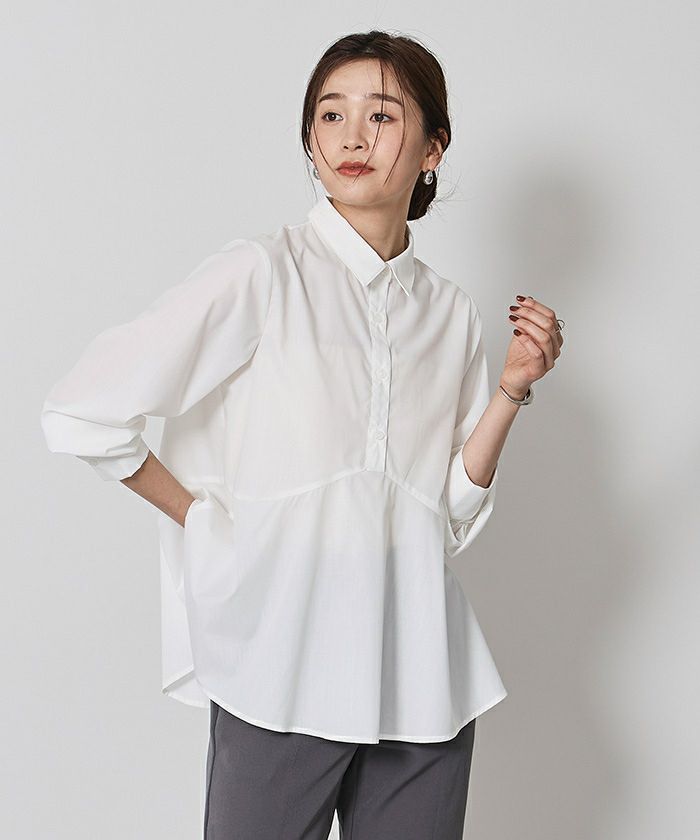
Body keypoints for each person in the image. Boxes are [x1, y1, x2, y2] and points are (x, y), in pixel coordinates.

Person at [40, 29, 564, 840]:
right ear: (310, 140)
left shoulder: (449, 311)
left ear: (433, 148)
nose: (352, 137)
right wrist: (203, 519)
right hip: (280, 667)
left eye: (381, 116)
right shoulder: (263, 272)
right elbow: (83, 410)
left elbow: (448, 515)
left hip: (421, 676)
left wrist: (510, 391)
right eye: (330, 114)